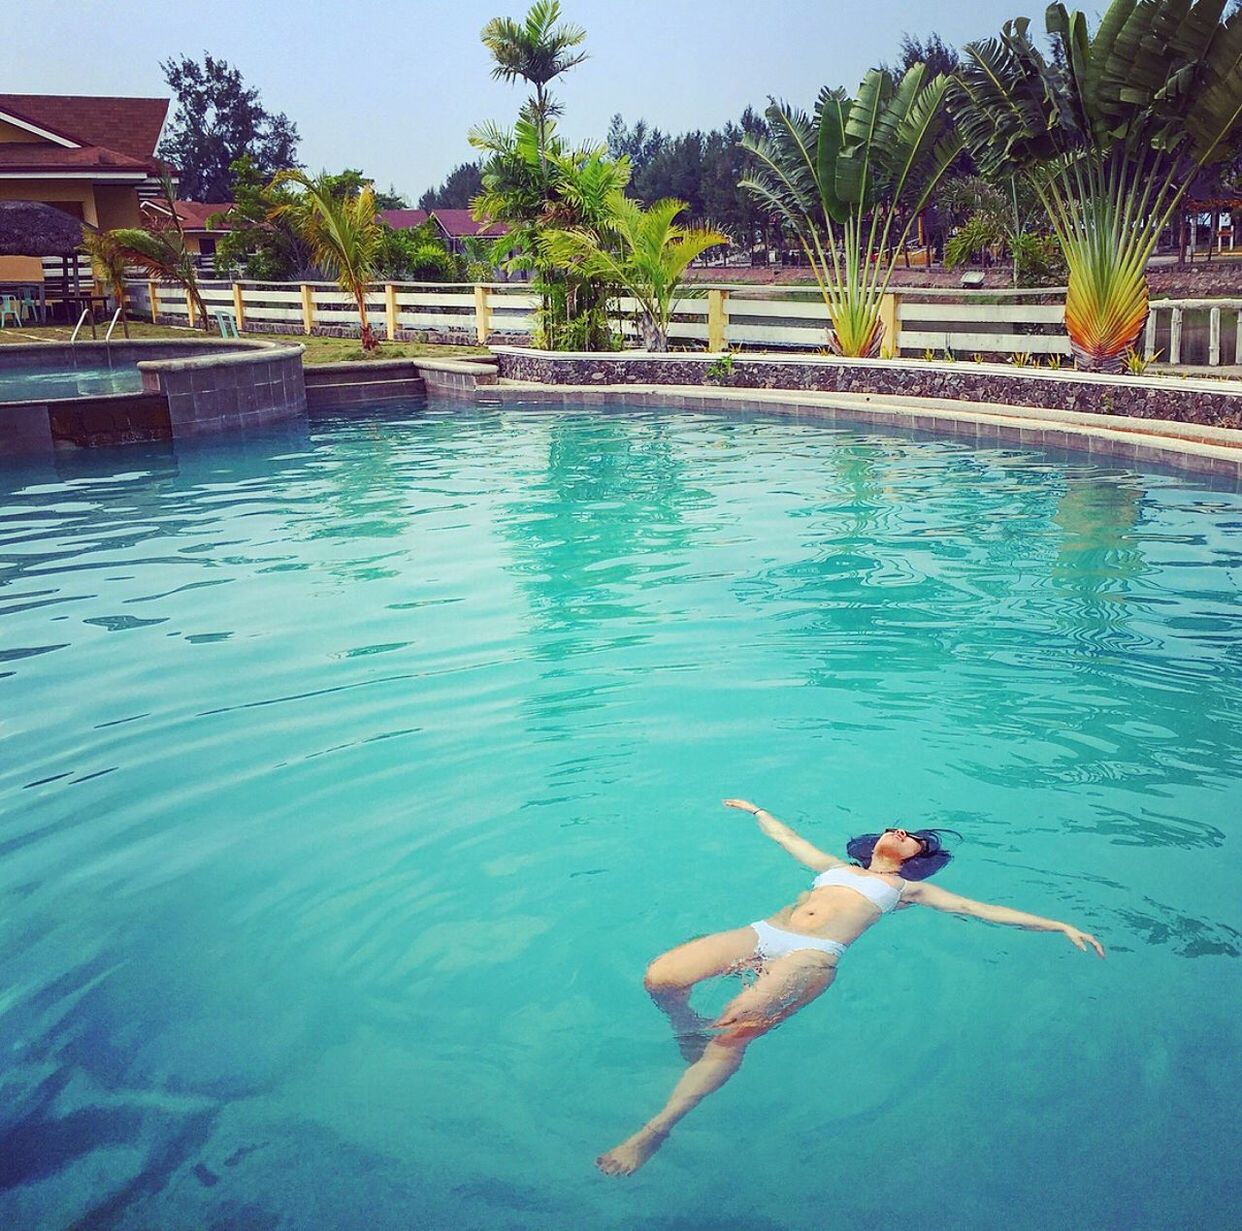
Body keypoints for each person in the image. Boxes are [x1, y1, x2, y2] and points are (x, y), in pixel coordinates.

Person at [596, 799, 1105, 1177]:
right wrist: (757, 813)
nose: (901, 832)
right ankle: (686, 1032)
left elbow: (980, 910)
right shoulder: (834, 868)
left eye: (913, 838)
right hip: (766, 932)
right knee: (660, 977)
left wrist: (1058, 925)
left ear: (915, 859)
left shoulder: (906, 890)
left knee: (733, 1028)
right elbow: (789, 840)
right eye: (897, 827)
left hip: (812, 957)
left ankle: (653, 1131)